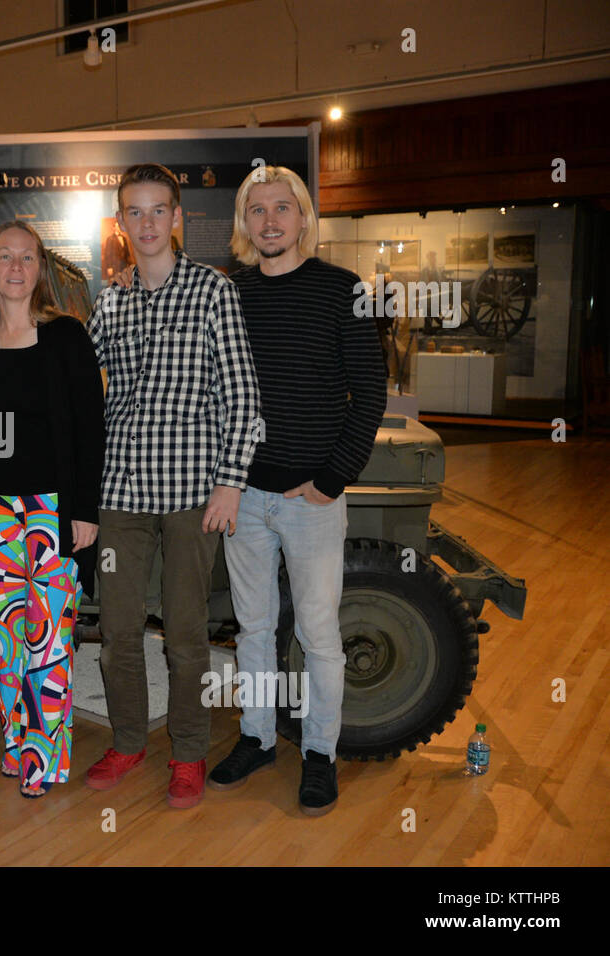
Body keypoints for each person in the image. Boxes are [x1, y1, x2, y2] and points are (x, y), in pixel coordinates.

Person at [84, 163, 261, 809]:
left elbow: (242, 395)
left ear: (178, 218)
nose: (149, 222)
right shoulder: (113, 300)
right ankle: (129, 740)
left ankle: (188, 752)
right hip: (121, 496)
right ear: (123, 223)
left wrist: (230, 484)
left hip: (193, 497)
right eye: (136, 211)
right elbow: (80, 382)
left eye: (160, 210)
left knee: (187, 638)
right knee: (118, 634)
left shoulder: (214, 293)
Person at [212, 166, 385, 815]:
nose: (271, 221)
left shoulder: (343, 290)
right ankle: (257, 738)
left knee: (318, 634)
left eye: (282, 208)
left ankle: (319, 753)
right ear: (243, 224)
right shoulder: (229, 295)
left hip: (313, 499)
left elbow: (369, 391)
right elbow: (217, 392)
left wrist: (333, 476)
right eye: (257, 211)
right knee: (253, 629)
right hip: (245, 497)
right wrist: (224, 481)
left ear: (303, 218)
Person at [0, 221, 104, 797]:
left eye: (28, 257)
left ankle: (45, 761)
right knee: (6, 640)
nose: (17, 267)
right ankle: (15, 745)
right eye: (6, 256)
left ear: (40, 268)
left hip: (52, 509)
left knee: (47, 642)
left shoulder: (68, 336)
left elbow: (90, 429)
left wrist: (84, 511)